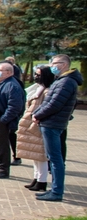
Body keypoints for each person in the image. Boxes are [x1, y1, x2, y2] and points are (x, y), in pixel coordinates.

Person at [32, 54, 83, 201]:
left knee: (55, 159)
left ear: (64, 64)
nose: (52, 66)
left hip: (53, 123)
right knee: (52, 158)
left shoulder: (66, 82)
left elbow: (54, 104)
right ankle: (54, 190)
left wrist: (37, 115)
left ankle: (56, 192)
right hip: (50, 122)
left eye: (55, 63)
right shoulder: (61, 80)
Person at [19, 65, 54, 192]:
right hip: (31, 124)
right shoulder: (39, 89)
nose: (36, 77)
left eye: (39, 75)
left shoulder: (47, 91)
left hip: (38, 125)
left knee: (41, 155)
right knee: (35, 153)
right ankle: (36, 178)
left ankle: (42, 181)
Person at [5, 56, 25, 165]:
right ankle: (1, 156)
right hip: (5, 116)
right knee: (4, 138)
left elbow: (15, 105)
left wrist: (5, 118)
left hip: (10, 117)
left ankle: (17, 157)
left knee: (12, 136)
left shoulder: (14, 85)